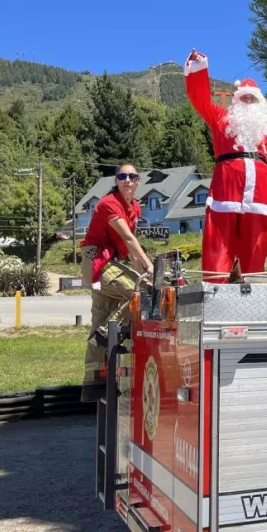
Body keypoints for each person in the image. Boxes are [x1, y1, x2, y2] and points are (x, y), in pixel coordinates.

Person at [184, 49, 267, 281]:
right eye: (244, 97)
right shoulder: (221, 119)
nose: (248, 101)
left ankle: (252, 289)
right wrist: (199, 69)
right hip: (226, 192)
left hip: (259, 198)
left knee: (256, 246)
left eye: (252, 98)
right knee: (218, 242)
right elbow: (199, 98)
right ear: (237, 100)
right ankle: (214, 286)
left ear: (260, 103)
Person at [79, 164, 154, 402]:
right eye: (122, 176)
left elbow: (129, 250)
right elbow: (129, 238)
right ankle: (106, 335)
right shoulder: (109, 203)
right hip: (96, 260)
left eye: (132, 176)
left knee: (101, 315)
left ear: (138, 182)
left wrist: (145, 270)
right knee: (139, 293)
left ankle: (95, 385)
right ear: (116, 180)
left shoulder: (134, 208)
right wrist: (148, 266)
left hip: (110, 260)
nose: (127, 180)